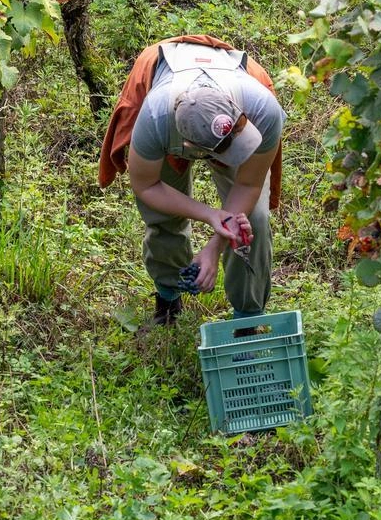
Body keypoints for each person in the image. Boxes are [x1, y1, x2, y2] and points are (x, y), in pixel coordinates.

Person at [98, 36, 284, 326]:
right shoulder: (154, 118)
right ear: (190, 146)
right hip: (166, 104)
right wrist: (210, 214)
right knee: (163, 216)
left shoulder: (263, 109)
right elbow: (146, 185)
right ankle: (169, 296)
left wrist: (214, 246)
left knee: (253, 222)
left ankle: (247, 319)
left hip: (227, 99)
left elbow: (248, 185)